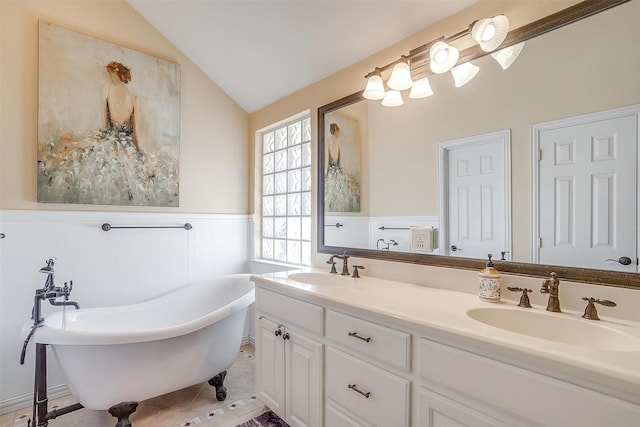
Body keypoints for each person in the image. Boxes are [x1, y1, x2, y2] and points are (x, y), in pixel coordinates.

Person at [103, 61, 141, 151]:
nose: (110, 78)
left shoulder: (107, 93)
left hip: (112, 144)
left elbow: (105, 126)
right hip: (122, 145)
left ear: (119, 75)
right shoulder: (134, 99)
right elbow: (136, 134)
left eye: (111, 74)